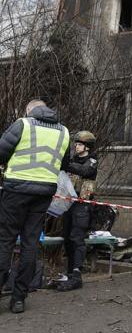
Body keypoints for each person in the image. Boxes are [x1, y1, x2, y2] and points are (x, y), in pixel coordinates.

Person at [0, 99, 70, 313]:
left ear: (30, 111)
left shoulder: (24, 124)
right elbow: (64, 165)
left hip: (16, 190)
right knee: (31, 243)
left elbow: (1, 151)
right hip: (44, 192)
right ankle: (19, 298)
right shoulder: (64, 132)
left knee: (5, 240)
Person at [57, 131, 98, 292]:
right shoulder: (73, 160)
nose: (76, 146)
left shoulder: (92, 160)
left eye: (79, 144)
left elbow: (85, 171)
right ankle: (69, 273)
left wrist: (65, 163)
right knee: (67, 237)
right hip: (70, 203)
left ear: (87, 146)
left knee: (77, 238)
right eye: (76, 143)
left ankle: (76, 274)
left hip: (83, 205)